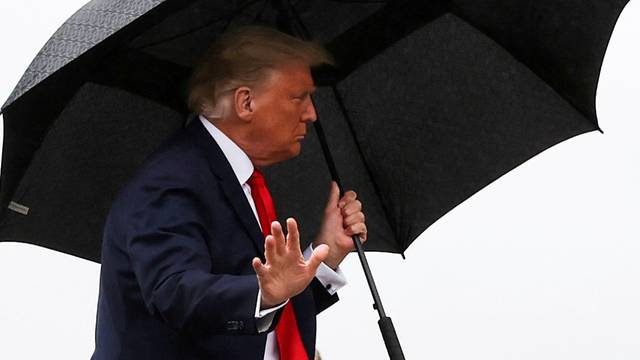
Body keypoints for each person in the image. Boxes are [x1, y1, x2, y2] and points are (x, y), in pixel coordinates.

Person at [91, 26, 367, 360]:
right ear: (246, 102)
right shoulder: (169, 181)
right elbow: (175, 292)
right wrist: (263, 295)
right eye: (298, 97)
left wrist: (326, 253)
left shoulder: (234, 175)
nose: (311, 113)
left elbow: (259, 322)